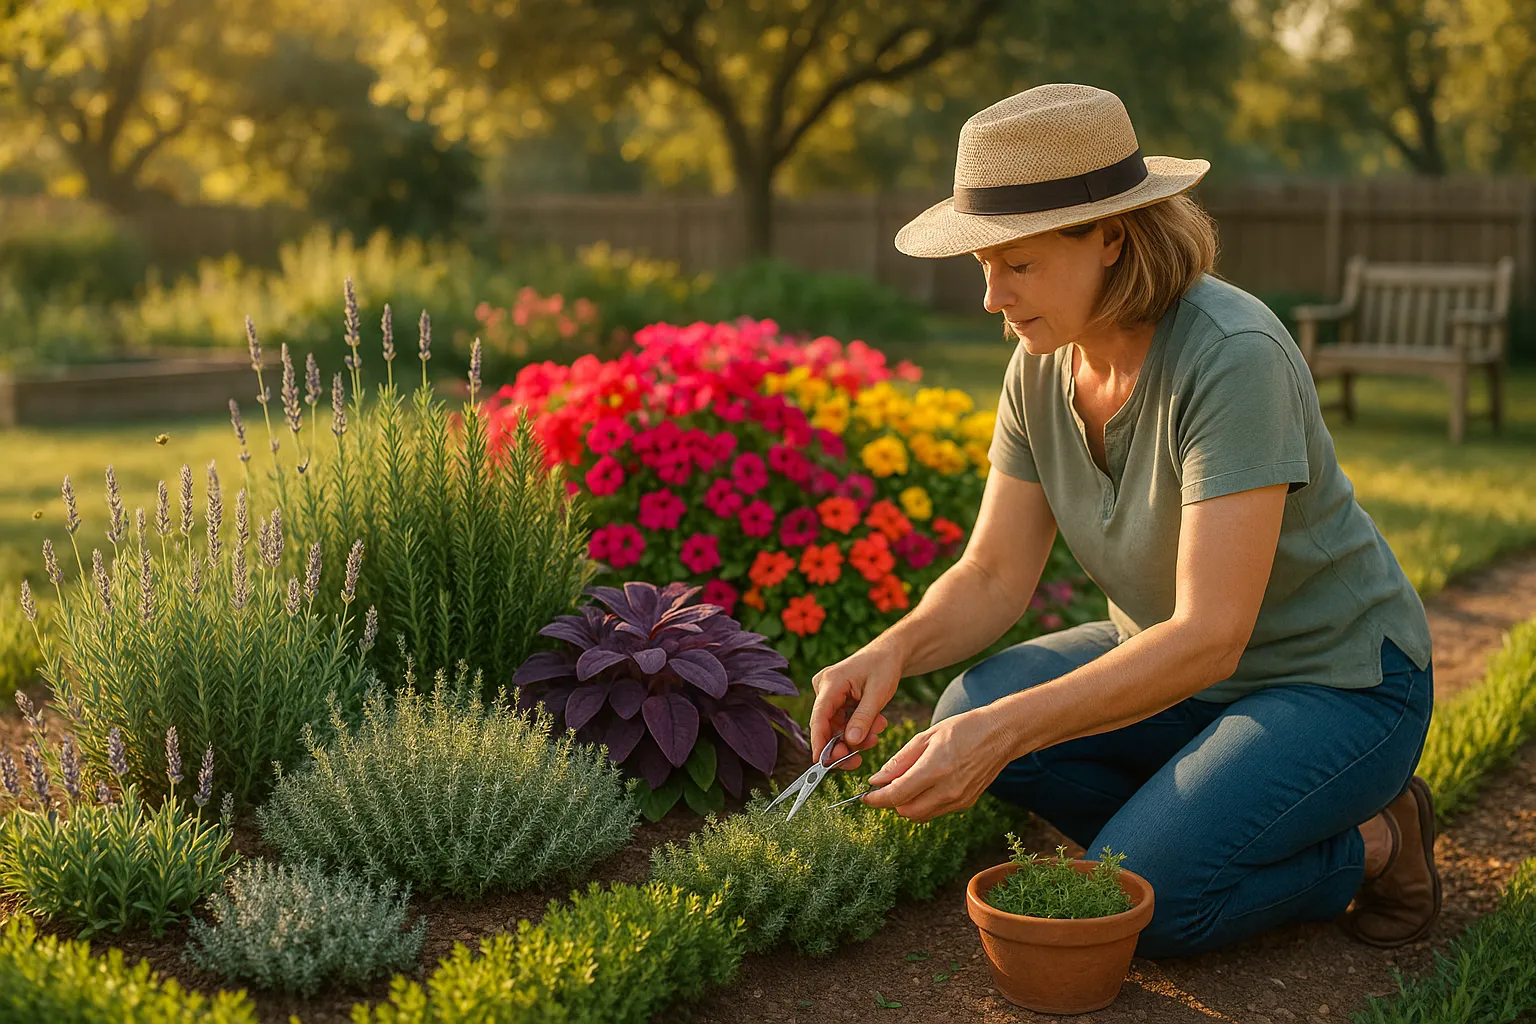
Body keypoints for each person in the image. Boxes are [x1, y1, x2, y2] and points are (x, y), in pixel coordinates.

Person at [809, 83, 1439, 958]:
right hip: (1177, 673)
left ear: (1112, 236)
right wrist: (892, 651)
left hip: (1333, 683)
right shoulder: (1040, 362)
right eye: (982, 264)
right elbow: (993, 575)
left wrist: (1004, 733)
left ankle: (1377, 841)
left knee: (1151, 904)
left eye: (1018, 264)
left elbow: (1213, 635)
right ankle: (1203, 816)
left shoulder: (1232, 357)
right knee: (975, 700)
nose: (993, 298)